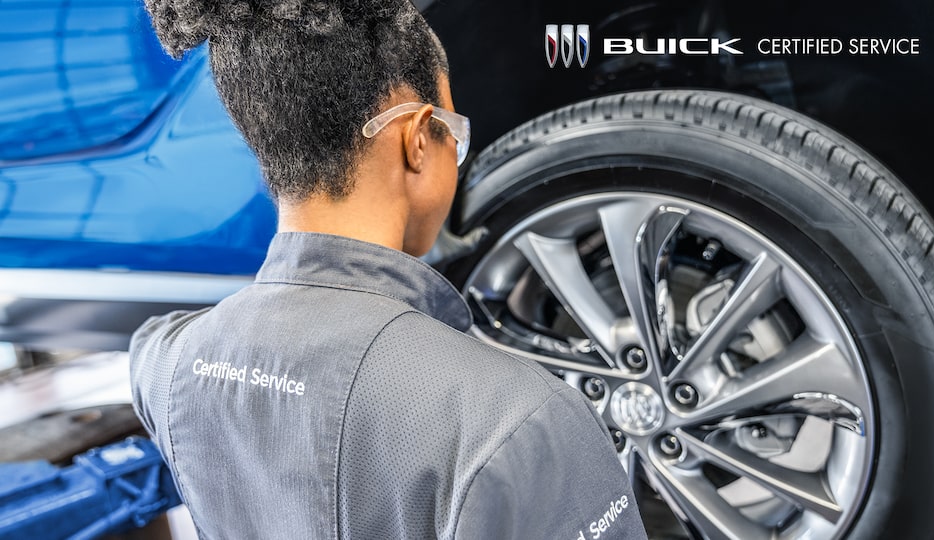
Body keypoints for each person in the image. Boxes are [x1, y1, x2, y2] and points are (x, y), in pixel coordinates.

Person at [129, 0, 648, 538]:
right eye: (457, 137)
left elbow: (159, 357)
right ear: (419, 138)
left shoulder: (166, 365)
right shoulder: (521, 423)